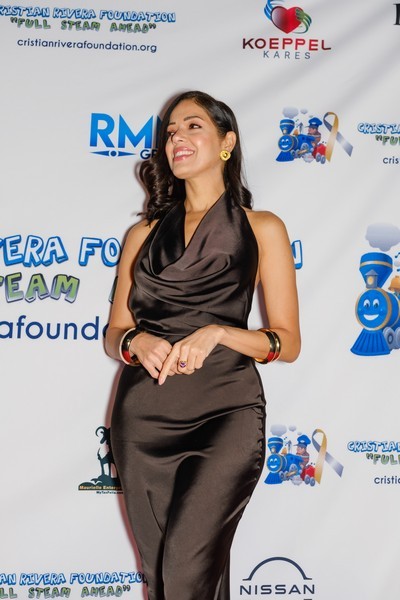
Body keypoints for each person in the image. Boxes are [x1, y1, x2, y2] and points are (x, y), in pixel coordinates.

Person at [105, 90, 301, 600]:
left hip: (226, 412)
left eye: (193, 126)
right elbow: (115, 332)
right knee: (166, 579)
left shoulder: (263, 228)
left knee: (186, 574)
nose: (177, 138)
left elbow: (287, 342)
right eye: (171, 131)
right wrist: (136, 341)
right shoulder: (142, 234)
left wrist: (220, 332)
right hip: (143, 419)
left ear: (226, 142)